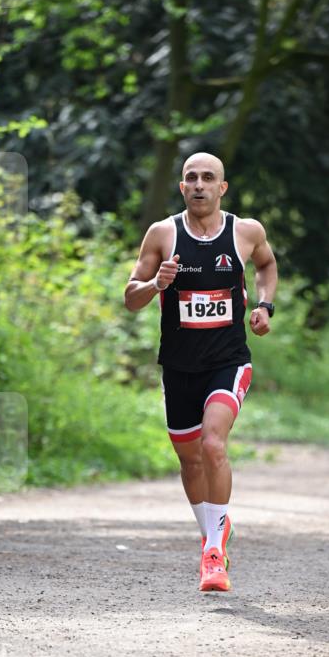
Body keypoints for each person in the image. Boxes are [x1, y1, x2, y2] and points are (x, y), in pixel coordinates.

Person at [124, 152, 278, 591]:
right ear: (181, 187)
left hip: (229, 361)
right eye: (191, 178)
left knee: (213, 444)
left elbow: (266, 265)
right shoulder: (163, 234)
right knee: (190, 460)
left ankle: (213, 551)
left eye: (208, 178)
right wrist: (156, 284)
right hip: (178, 365)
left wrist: (265, 305)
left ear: (222, 188)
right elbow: (130, 296)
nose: (199, 185)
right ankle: (214, 531)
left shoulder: (245, 232)